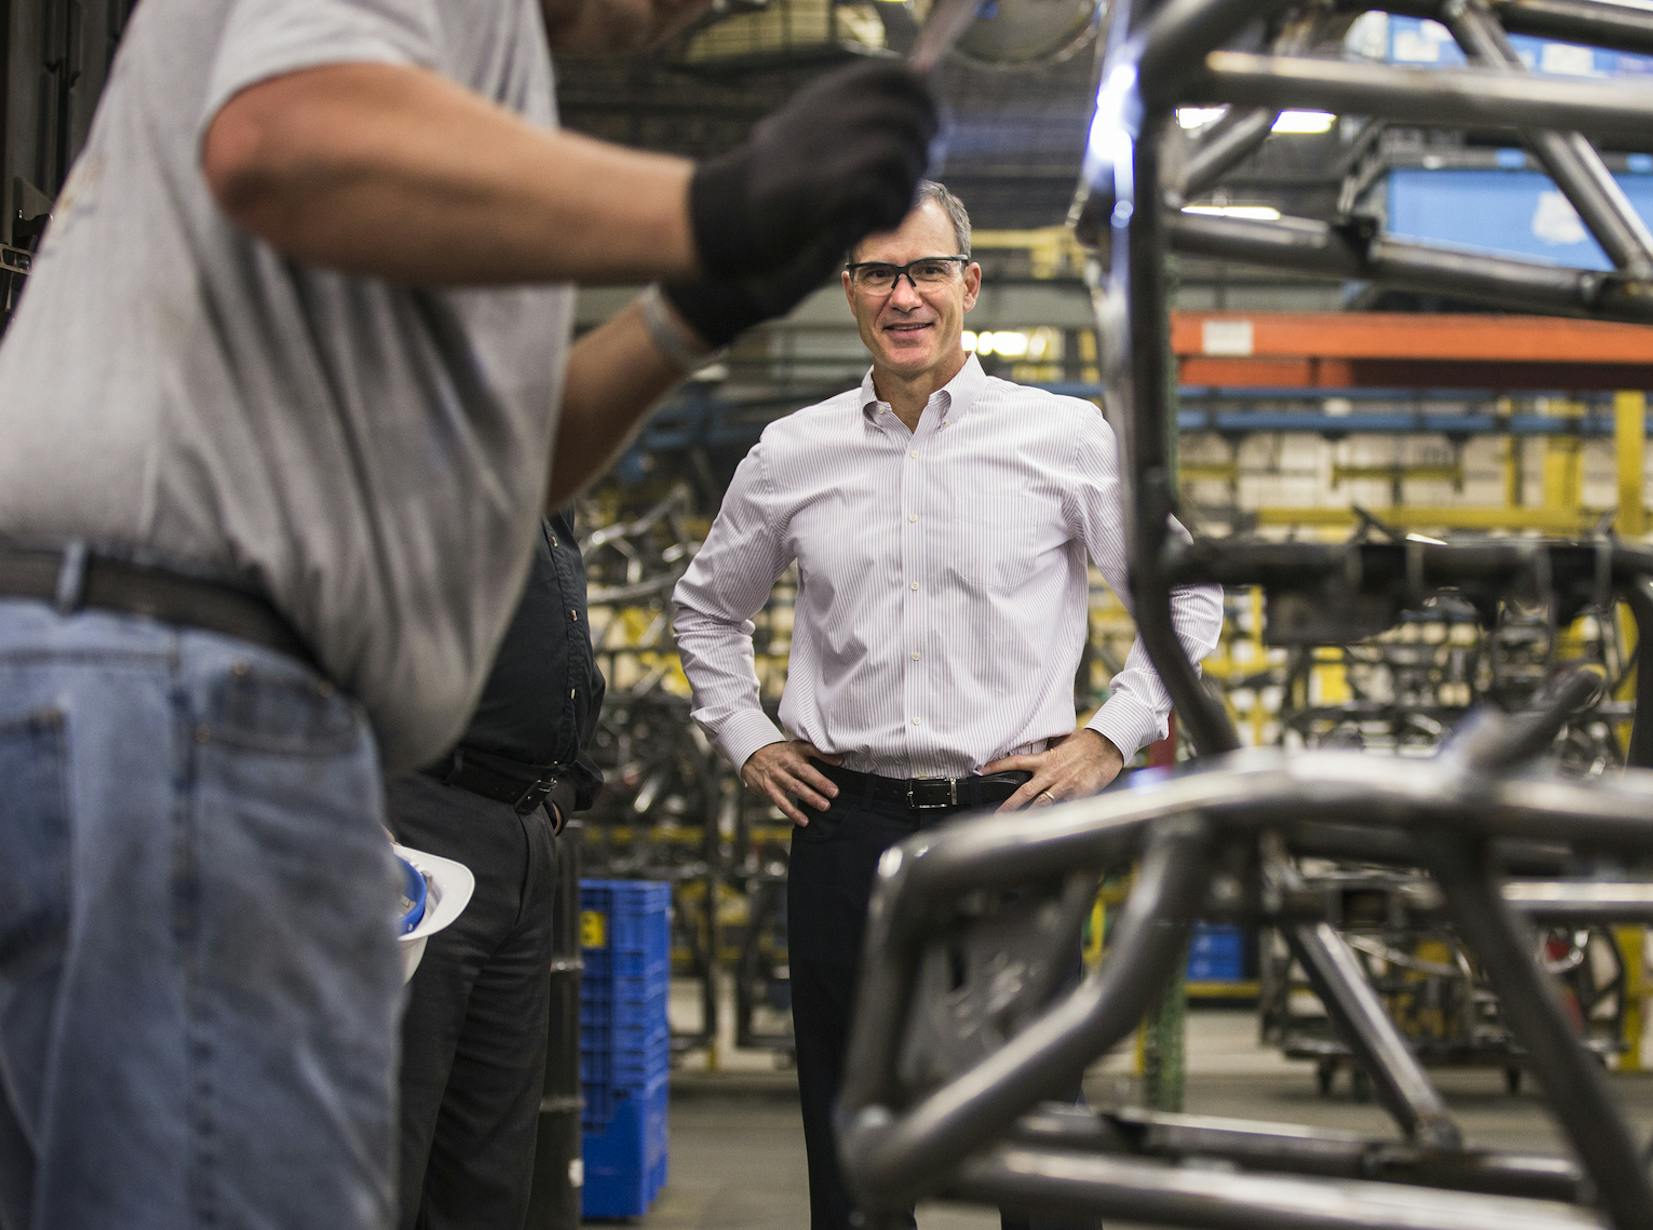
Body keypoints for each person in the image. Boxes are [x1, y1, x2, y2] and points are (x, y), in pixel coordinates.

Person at [0, 1, 936, 1226]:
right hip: (179, 685)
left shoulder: (479, 111)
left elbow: (500, 473)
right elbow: (284, 137)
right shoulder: (420, 60)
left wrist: (690, 309)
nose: (692, 10)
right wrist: (714, 202)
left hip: (177, 694)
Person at [670, 182, 1224, 1230]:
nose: (904, 295)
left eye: (926, 270)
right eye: (878, 273)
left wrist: (1108, 739)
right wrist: (746, 735)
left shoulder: (1062, 438)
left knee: (1033, 1116)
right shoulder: (792, 453)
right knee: (852, 1121)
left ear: (969, 284)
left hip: (1013, 818)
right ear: (848, 292)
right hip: (845, 823)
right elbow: (704, 613)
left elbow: (1187, 596)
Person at [390, 510, 603, 1230]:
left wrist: (561, 793)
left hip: (519, 832)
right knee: (391, 1136)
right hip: (420, 824)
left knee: (490, 1160)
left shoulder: (550, 499)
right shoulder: (424, 455)